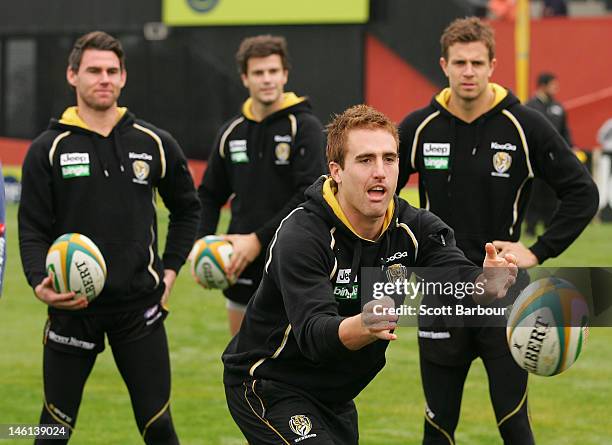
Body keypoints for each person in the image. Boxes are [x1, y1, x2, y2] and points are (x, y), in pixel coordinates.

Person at [223, 104, 519, 445]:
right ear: (336, 170)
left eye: (389, 159)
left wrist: (487, 283)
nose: (380, 171)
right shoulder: (303, 235)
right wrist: (365, 324)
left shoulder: (413, 227)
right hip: (268, 383)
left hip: (336, 395)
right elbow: (316, 336)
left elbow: (457, 276)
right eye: (365, 160)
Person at [397, 17, 598, 445]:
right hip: (441, 292)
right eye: (459, 63)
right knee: (437, 426)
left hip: (506, 292)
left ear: (492, 65)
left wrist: (538, 251)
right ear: (444, 66)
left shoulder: (524, 125)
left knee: (513, 423)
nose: (468, 71)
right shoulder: (418, 127)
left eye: (476, 62)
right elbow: (379, 200)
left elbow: (583, 192)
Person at [18, 31, 200, 444]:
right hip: (72, 309)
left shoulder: (154, 143)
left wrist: (170, 271)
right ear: (72, 76)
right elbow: (32, 227)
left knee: (159, 428)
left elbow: (188, 209)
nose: (104, 78)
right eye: (94, 70)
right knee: (51, 428)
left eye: (112, 71)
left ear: (123, 77)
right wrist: (38, 283)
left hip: (140, 310)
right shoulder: (48, 148)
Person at [197, 34, 326, 335]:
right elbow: (209, 194)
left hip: (294, 259)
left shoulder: (304, 127)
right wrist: (200, 243)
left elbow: (310, 196)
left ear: (285, 74)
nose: (266, 79)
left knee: (294, 364)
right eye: (258, 72)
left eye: (273, 71)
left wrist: (257, 240)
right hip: (241, 263)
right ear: (245, 78)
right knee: (241, 361)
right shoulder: (231, 132)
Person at [525, 72, 573, 235]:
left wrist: (570, 149)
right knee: (533, 193)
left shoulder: (558, 107)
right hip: (533, 160)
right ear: (543, 85)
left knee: (552, 193)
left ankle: (549, 225)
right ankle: (530, 226)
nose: (556, 88)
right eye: (553, 84)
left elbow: (565, 132)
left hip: (554, 160)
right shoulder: (530, 106)